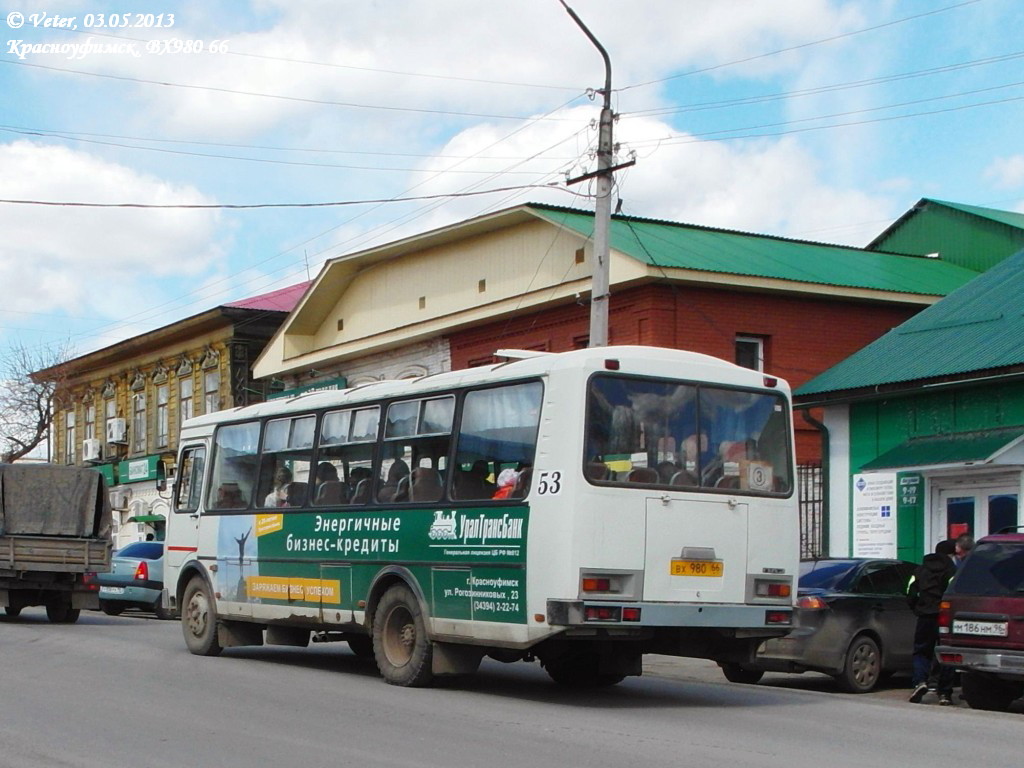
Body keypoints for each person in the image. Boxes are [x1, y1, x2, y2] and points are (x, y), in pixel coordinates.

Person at [907, 539, 957, 705]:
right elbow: (953, 593)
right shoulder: (952, 570)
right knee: (947, 653)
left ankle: (920, 682)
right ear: (950, 554)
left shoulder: (920, 569)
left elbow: (910, 592)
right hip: (945, 618)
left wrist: (917, 609)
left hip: (925, 616)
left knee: (922, 651)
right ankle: (945, 694)